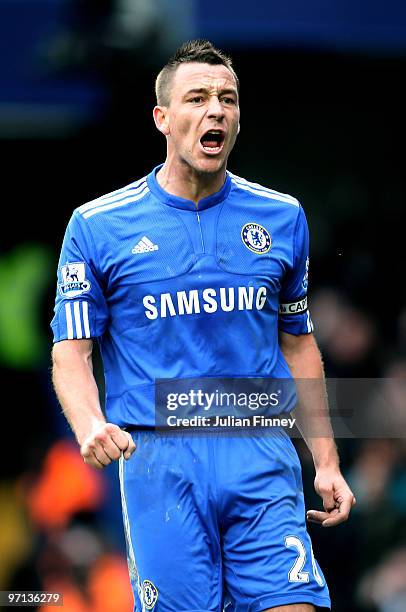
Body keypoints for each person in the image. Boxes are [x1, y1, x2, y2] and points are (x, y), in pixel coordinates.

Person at [51, 39, 356, 612]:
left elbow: (298, 342)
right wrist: (91, 423)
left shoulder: (282, 216)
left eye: (228, 99)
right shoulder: (97, 225)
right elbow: (71, 350)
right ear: (162, 118)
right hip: (160, 463)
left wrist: (327, 461)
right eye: (197, 98)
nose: (216, 109)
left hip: (260, 452)